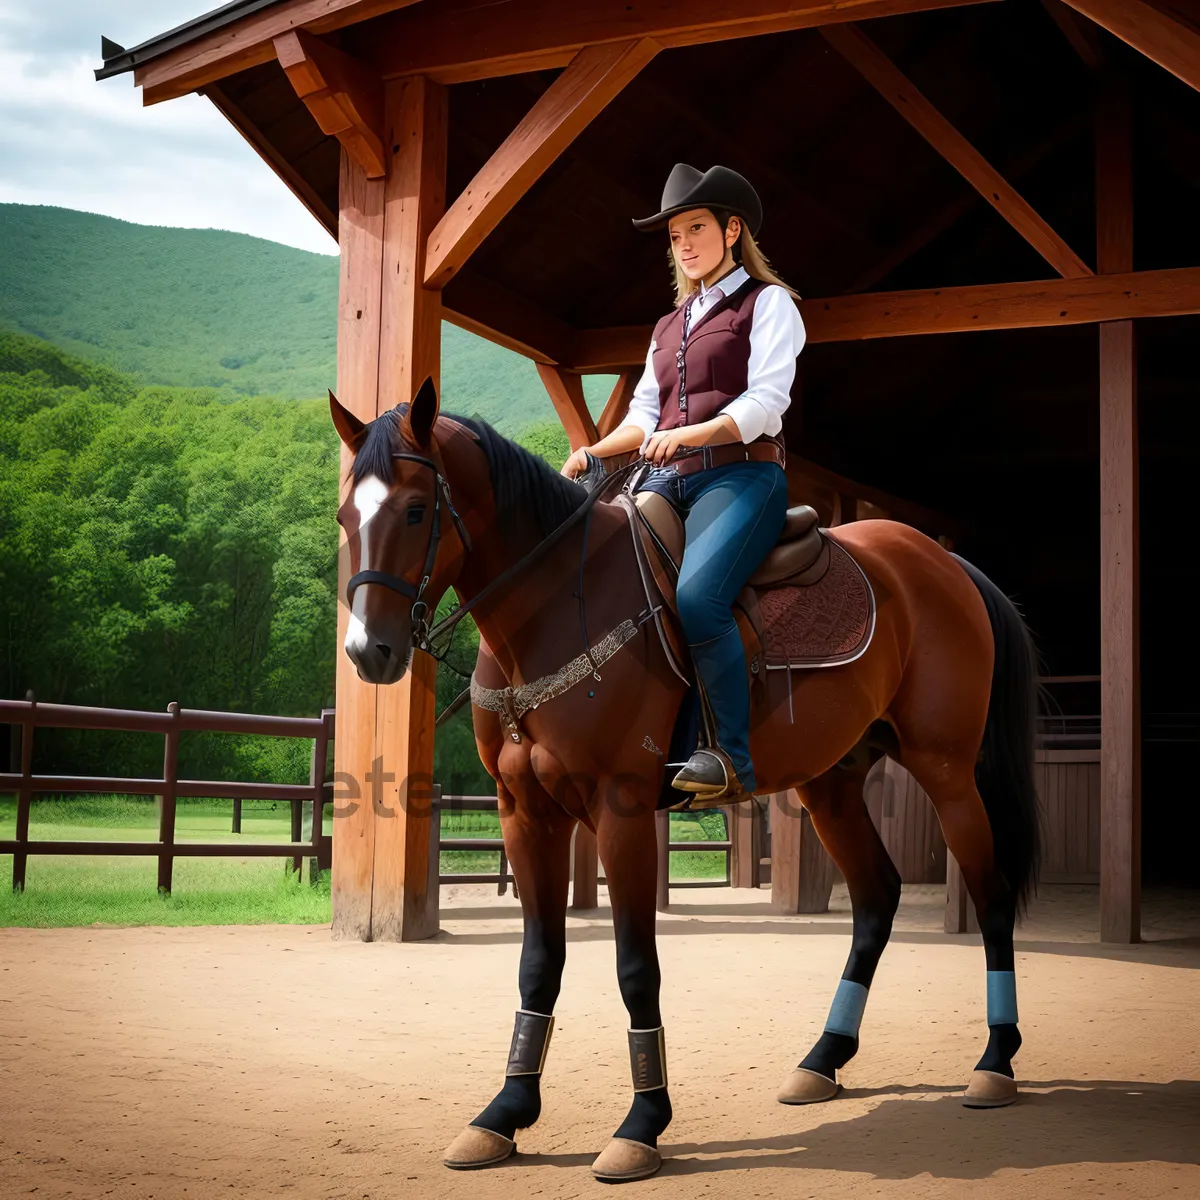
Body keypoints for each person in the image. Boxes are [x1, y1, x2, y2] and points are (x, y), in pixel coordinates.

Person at [562, 163, 806, 800]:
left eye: (696, 228)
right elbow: (645, 416)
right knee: (610, 578)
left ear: (731, 230)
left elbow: (766, 403)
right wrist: (593, 449)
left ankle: (729, 758)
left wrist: (691, 436)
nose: (686, 243)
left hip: (742, 479)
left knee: (698, 597)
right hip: (667, 481)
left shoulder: (768, 302)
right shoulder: (668, 326)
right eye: (675, 236)